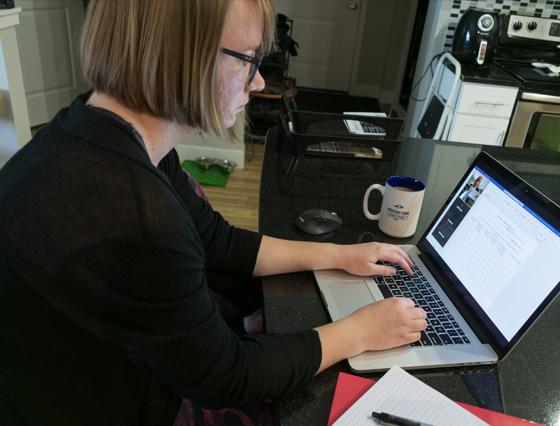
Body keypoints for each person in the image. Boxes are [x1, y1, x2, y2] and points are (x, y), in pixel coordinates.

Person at [0, 1, 427, 425]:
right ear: (180, 54)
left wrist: (338, 255)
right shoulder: (136, 213)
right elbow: (228, 378)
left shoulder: (108, 132)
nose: (258, 82)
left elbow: (218, 242)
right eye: (248, 60)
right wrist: (358, 332)